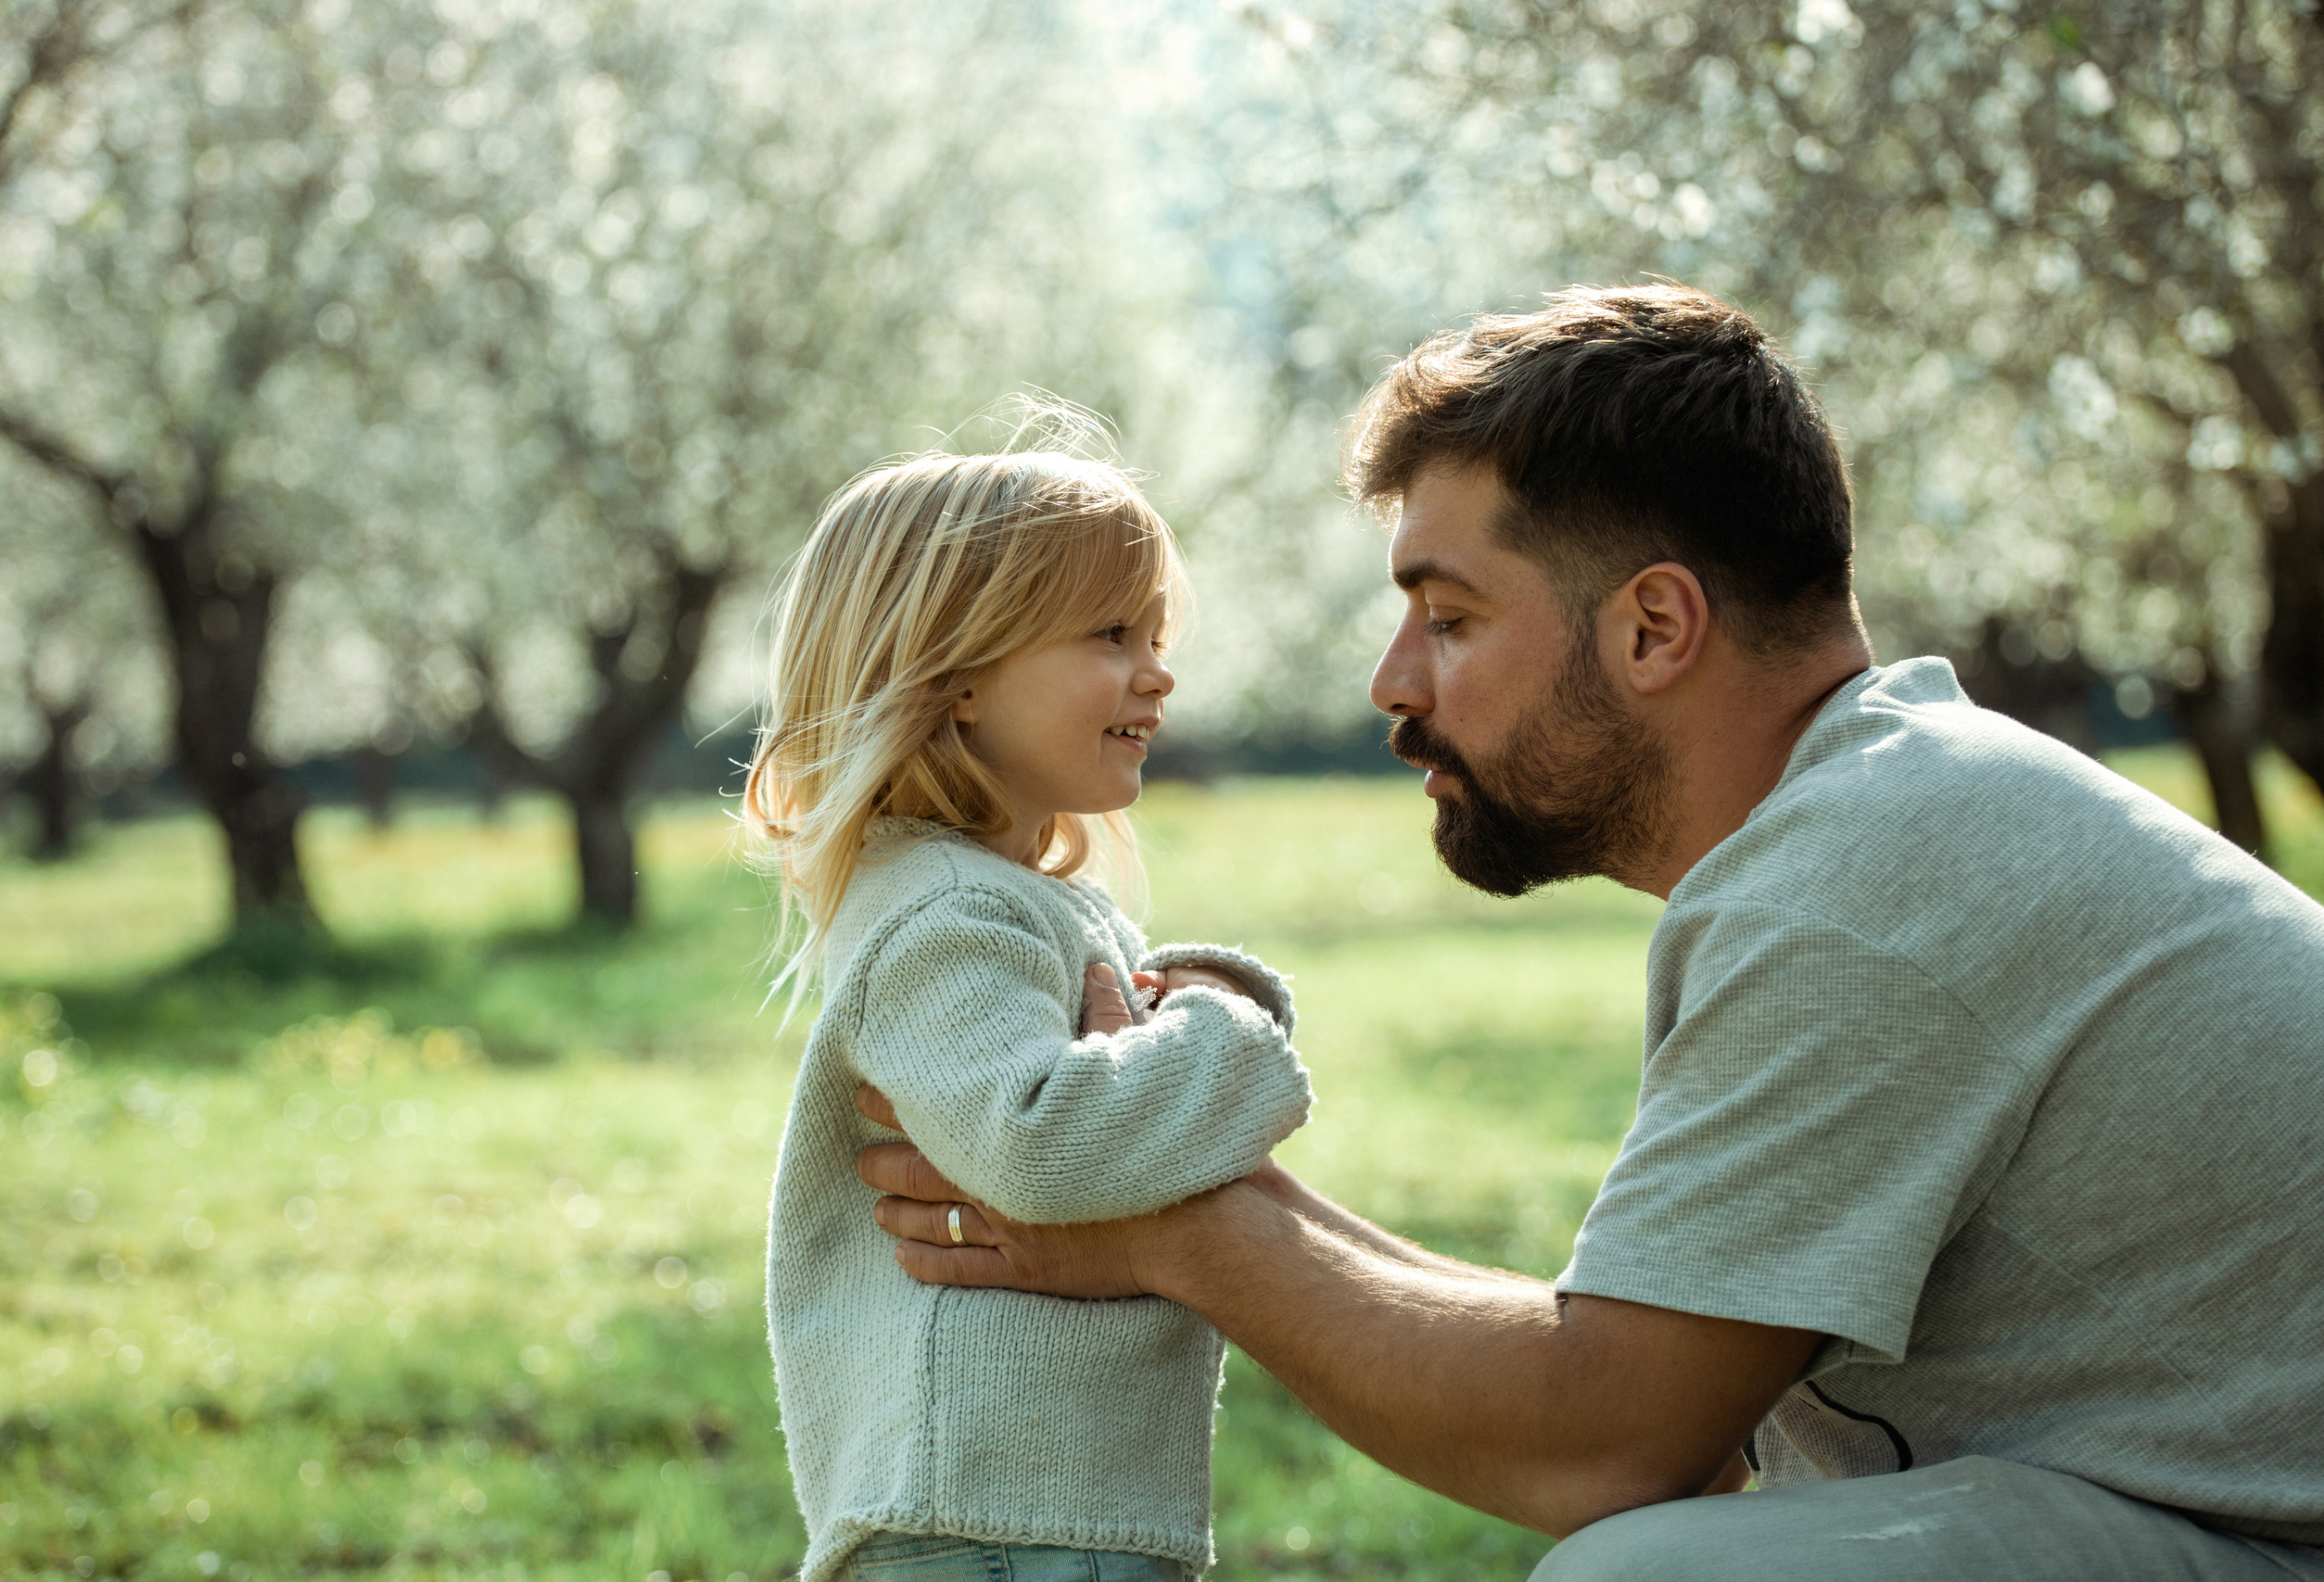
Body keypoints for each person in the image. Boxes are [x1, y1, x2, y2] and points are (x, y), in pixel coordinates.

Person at [853, 286, 2324, 1580]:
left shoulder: (1859, 890)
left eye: (1449, 616)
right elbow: (1644, 1374)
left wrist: (1175, 1230)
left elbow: (1611, 1445)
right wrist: (1219, 1208)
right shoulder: (1883, 817)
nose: (1389, 679)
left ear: (1652, 628)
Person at [741, 437, 1314, 1582]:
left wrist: (1205, 1006)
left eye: (1154, 637)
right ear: (953, 673)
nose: (1155, 672)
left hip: (1037, 1512)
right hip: (993, 1523)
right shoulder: (947, 912)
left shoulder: (1007, 898)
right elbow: (1040, 1145)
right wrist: (1227, 1030)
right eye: (1111, 636)